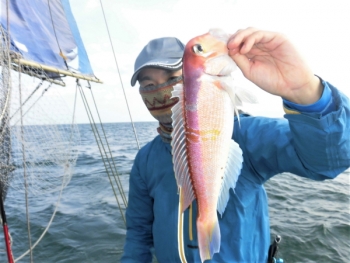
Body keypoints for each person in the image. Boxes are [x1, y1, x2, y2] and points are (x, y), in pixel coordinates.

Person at [121, 28, 350, 263]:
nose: (160, 92)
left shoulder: (245, 134)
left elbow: (330, 159)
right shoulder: (145, 159)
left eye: (171, 79)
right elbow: (139, 233)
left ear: (187, 79)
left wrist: (304, 92)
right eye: (148, 85)